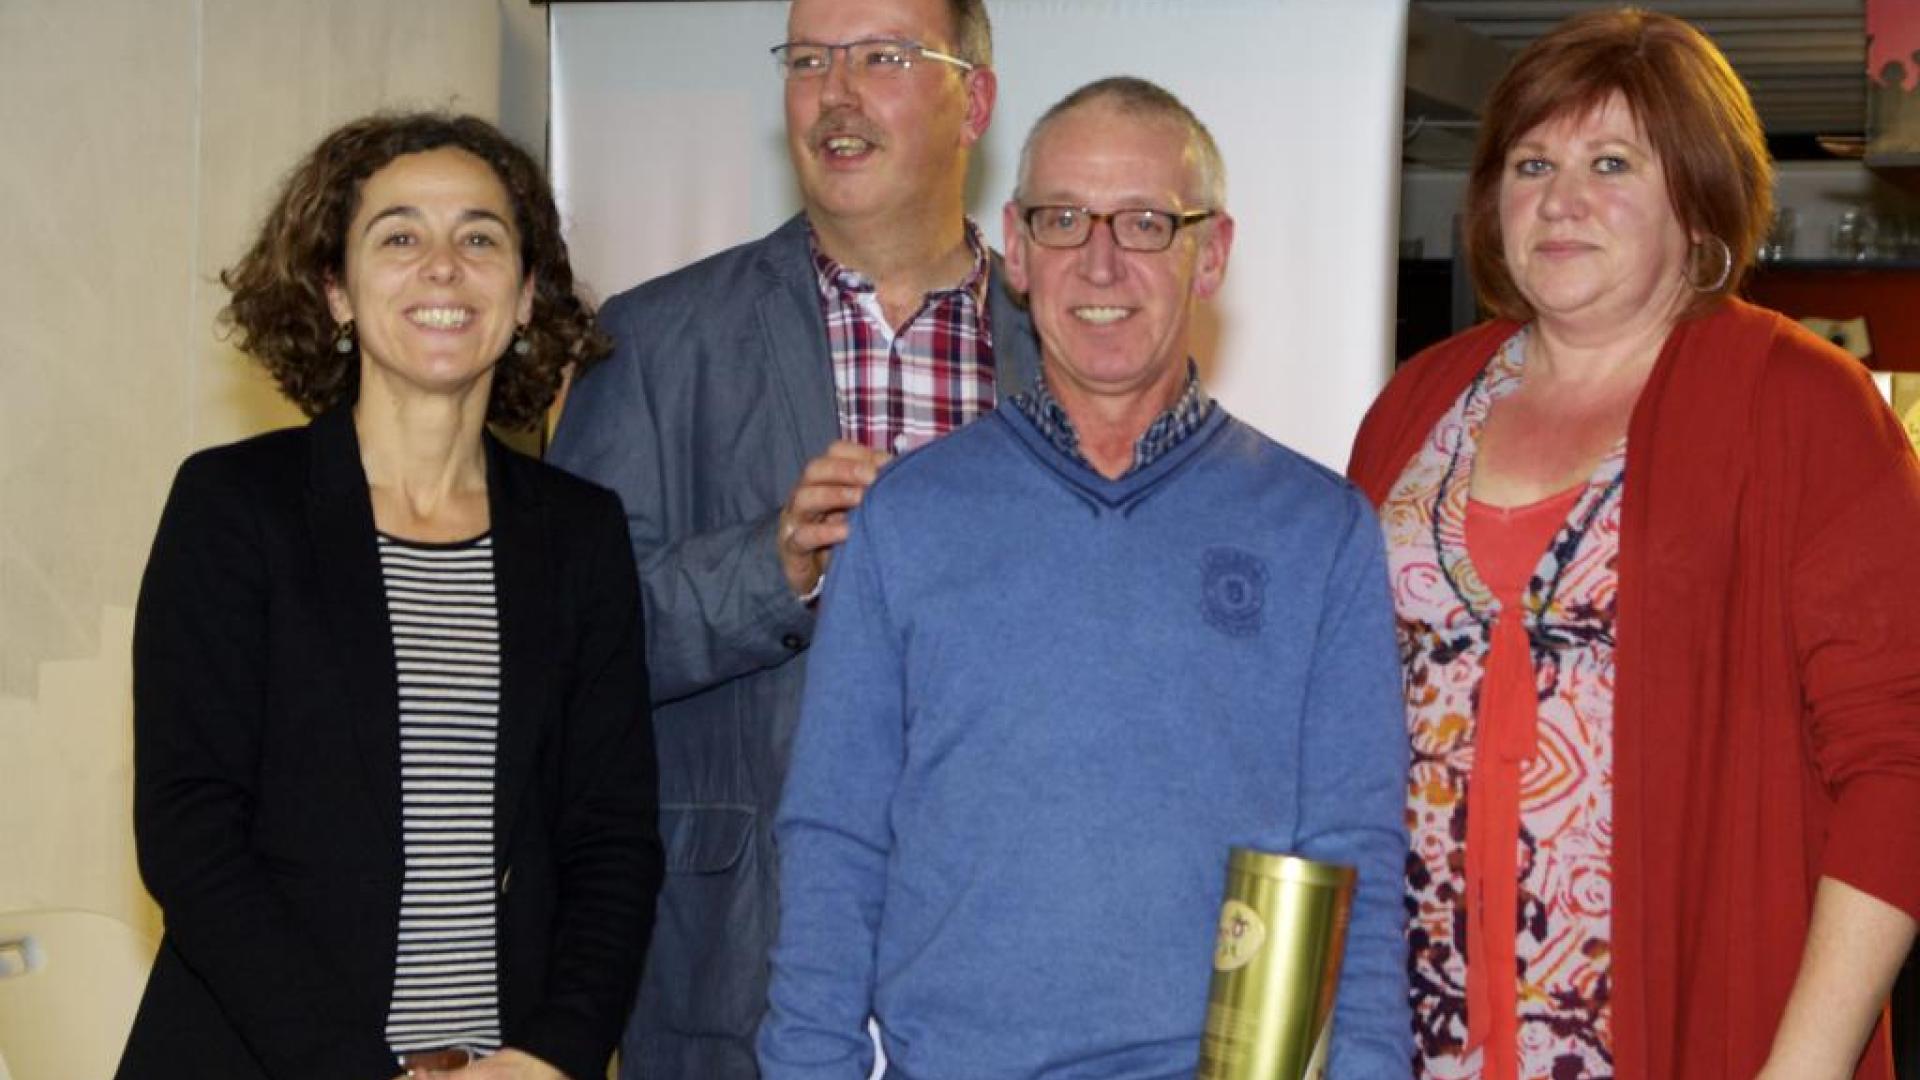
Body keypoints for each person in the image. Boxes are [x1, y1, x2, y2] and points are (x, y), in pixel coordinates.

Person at [758, 77, 1411, 1079]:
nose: (1101, 262)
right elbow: (834, 842)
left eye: (1147, 222)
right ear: (1016, 250)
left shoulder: (1319, 533)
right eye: (1064, 219)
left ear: (1211, 253)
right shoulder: (908, 520)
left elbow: (1352, 862)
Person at [1347, 11, 1920, 1080]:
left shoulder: (1805, 408)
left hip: (1700, 1030)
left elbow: (1899, 767)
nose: (1559, 199)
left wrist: (1801, 1070)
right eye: (1532, 164)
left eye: (1611, 163)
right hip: (1413, 1037)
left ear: (1697, 200)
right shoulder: (1416, 405)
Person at [545, 0, 1039, 1073]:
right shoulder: (653, 340)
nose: (836, 94)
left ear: (975, 103)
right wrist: (772, 570)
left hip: (1011, 977)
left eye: (883, 57)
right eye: (809, 60)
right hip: (739, 973)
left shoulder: (1063, 353)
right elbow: (561, 652)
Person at [117, 113, 662, 1080]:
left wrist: (553, 1053)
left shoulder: (580, 533)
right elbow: (191, 834)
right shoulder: (234, 507)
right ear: (335, 289)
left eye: (481, 239)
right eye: (400, 236)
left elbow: (611, 838)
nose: (443, 267)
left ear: (525, 296)